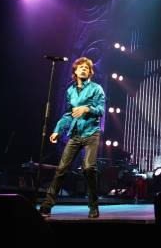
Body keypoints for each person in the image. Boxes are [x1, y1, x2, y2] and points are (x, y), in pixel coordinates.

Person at [39, 57, 105, 219]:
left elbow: (100, 110)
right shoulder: (70, 91)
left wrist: (86, 108)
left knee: (89, 168)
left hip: (91, 133)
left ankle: (93, 206)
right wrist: (58, 130)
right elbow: (69, 114)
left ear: (90, 72)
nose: (83, 69)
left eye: (86, 67)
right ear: (75, 71)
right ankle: (47, 206)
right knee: (61, 169)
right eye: (80, 67)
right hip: (75, 135)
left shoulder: (97, 88)